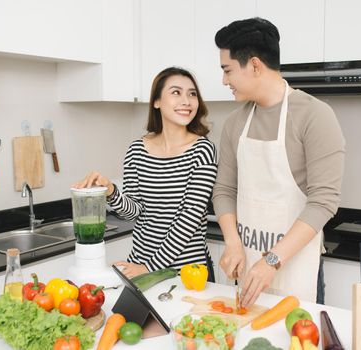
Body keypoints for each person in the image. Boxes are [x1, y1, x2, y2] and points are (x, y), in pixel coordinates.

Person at [212, 18, 345, 307]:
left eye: (227, 70)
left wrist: (271, 261)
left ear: (255, 65)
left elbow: (324, 201)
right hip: (247, 265)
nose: (224, 81)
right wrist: (233, 241)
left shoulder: (315, 116)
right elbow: (223, 189)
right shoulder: (235, 123)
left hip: (295, 267)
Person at [74, 67, 218, 279]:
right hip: (140, 266)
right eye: (176, 92)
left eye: (192, 94)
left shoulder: (203, 150)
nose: (187, 101)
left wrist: (150, 266)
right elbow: (134, 212)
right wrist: (111, 192)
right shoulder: (137, 150)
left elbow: (190, 218)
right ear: (156, 101)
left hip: (187, 274)